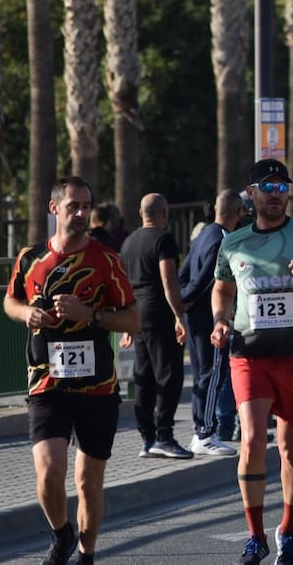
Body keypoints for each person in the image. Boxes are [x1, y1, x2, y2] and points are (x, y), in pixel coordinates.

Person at [210, 158, 293, 565]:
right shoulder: (233, 242)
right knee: (251, 440)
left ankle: (287, 529)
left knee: (291, 447)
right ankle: (255, 536)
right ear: (250, 194)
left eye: (282, 188)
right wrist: (220, 320)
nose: (274, 195)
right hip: (249, 355)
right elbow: (222, 290)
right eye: (266, 188)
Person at [3, 176, 140, 565]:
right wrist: (26, 312)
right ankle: (62, 534)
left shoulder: (106, 260)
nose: (80, 214)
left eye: (85, 206)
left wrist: (90, 314)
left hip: (97, 385)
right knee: (48, 473)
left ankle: (86, 552)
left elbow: (133, 320)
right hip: (47, 380)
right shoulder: (30, 259)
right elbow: (9, 301)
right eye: (72, 206)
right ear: (54, 209)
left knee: (86, 481)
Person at [119, 193, 192, 460]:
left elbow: (124, 284)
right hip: (159, 313)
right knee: (169, 375)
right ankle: (164, 435)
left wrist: (127, 324)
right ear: (165, 213)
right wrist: (179, 316)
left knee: (144, 377)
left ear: (141, 213)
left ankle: (146, 438)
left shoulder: (128, 243)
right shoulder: (164, 239)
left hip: (137, 314)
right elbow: (169, 281)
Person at [179, 190, 244, 456]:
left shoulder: (204, 234)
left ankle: (203, 431)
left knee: (203, 373)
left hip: (196, 316)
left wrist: (181, 300)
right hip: (210, 318)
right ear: (238, 213)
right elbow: (209, 279)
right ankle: (205, 433)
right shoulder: (221, 240)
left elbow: (183, 274)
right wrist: (189, 299)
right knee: (212, 373)